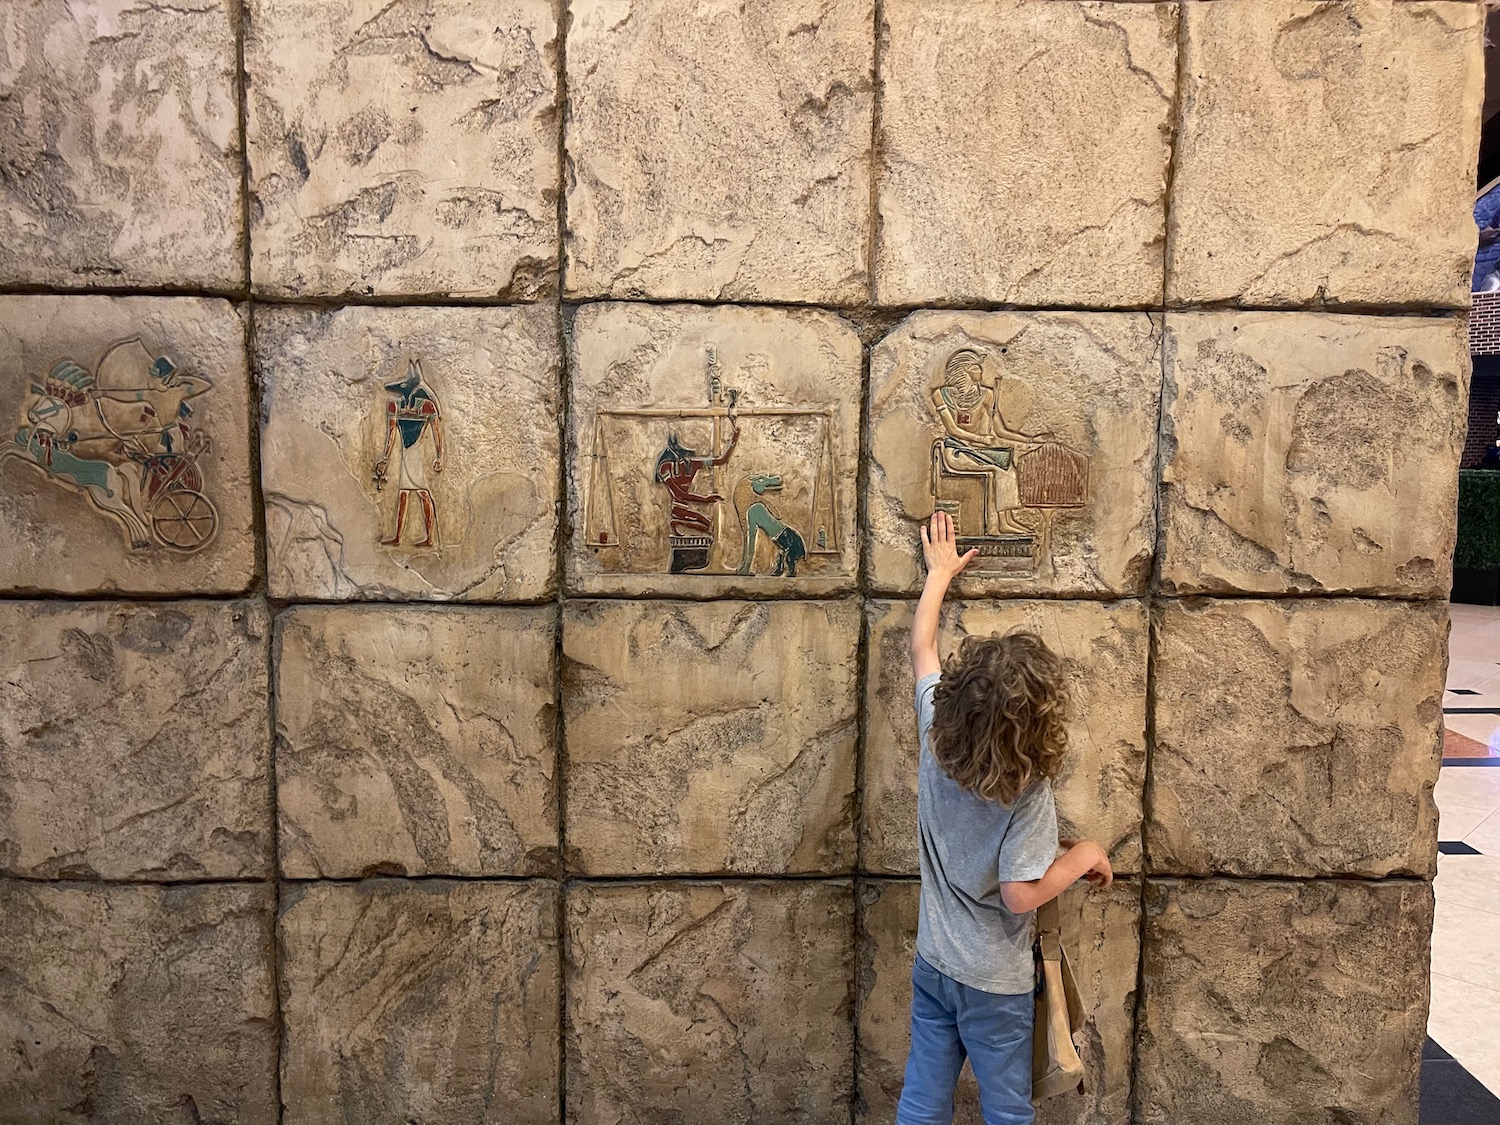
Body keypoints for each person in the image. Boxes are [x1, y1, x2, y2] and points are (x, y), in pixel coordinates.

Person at [897, 511, 1113, 1125]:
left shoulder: (935, 732)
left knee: (922, 1099)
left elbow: (922, 648)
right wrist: (1084, 855)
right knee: (1008, 1109)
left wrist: (938, 573)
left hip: (936, 965)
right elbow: (1020, 894)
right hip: (996, 984)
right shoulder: (1028, 792)